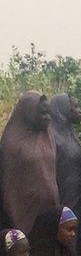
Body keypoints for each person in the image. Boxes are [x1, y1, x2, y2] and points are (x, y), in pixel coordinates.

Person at [0, 91, 59, 232]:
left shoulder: (48, 137)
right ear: (29, 113)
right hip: (22, 213)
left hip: (49, 209)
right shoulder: (12, 142)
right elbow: (8, 181)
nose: (48, 118)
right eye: (43, 113)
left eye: (50, 113)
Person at [49, 94, 81, 256]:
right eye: (75, 107)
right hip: (63, 194)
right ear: (63, 110)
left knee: (77, 233)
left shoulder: (70, 133)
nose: (80, 111)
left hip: (77, 194)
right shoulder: (52, 136)